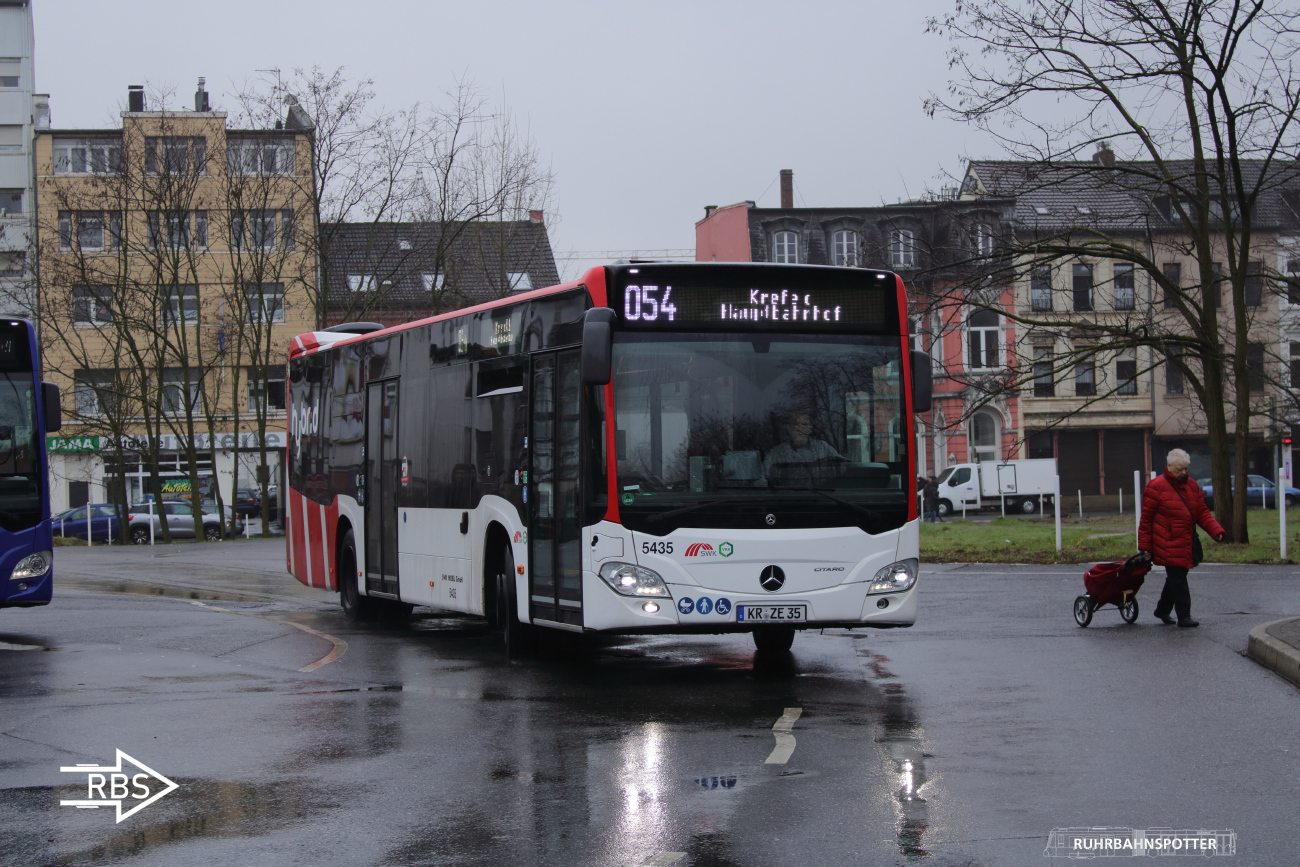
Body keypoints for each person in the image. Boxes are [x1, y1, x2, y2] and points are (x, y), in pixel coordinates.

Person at [1137, 448, 1226, 627]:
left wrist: (1216, 530)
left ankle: (1162, 610)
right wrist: (1144, 546)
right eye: (1180, 470)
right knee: (1179, 579)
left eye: (1186, 469)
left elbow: (1201, 512)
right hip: (1167, 542)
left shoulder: (1192, 486)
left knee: (1176, 578)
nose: (1184, 473)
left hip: (1186, 540)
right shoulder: (1156, 487)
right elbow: (1146, 519)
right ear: (1169, 467)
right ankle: (1184, 616)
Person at [762, 411, 842, 483]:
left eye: (804, 424)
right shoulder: (776, 453)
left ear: (810, 428)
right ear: (789, 428)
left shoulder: (823, 447)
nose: (800, 428)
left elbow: (843, 466)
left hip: (825, 497)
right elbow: (762, 478)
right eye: (795, 424)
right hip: (787, 497)